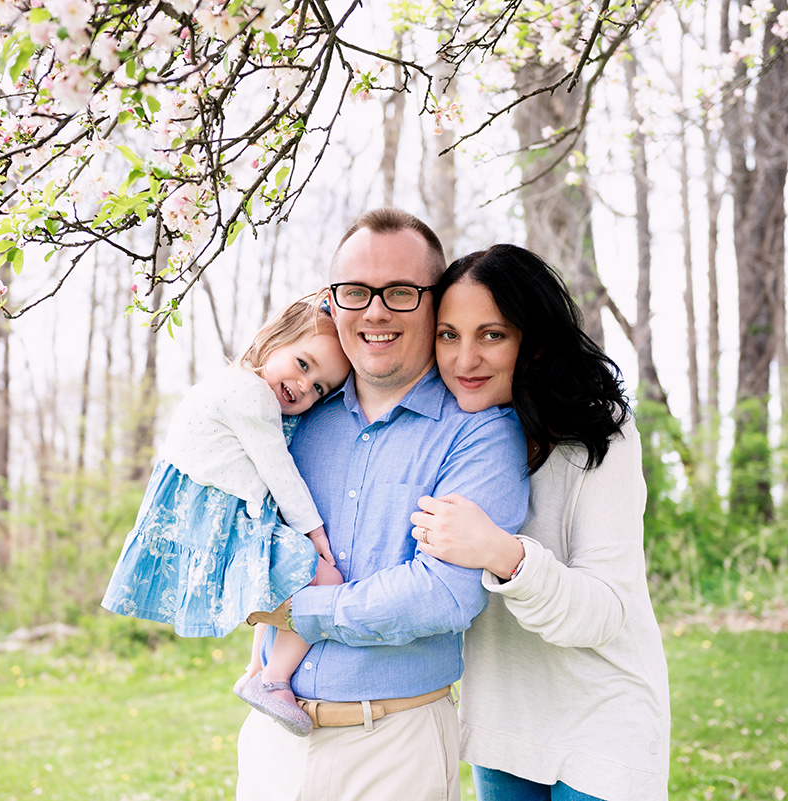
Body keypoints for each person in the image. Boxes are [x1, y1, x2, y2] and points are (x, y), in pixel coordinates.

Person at [237, 209, 530, 801]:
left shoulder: (479, 432)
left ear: (434, 303)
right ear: (332, 301)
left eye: (400, 292)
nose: (375, 313)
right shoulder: (294, 413)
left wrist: (298, 609)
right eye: (356, 292)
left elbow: (443, 594)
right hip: (273, 740)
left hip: (394, 744)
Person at [411, 244, 671, 801]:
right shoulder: (448, 431)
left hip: (604, 726)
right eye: (449, 335)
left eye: (492, 335)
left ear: (535, 342)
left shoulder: (600, 435)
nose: (464, 360)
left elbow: (604, 612)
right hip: (502, 724)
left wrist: (502, 554)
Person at [101, 293, 350, 736]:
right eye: (303, 364)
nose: (304, 386)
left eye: (319, 388)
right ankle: (274, 680)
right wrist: (315, 532)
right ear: (273, 339)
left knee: (276, 583)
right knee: (325, 578)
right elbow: (279, 471)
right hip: (215, 519)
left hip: (206, 512)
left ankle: (256, 669)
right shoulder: (251, 395)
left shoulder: (233, 386)